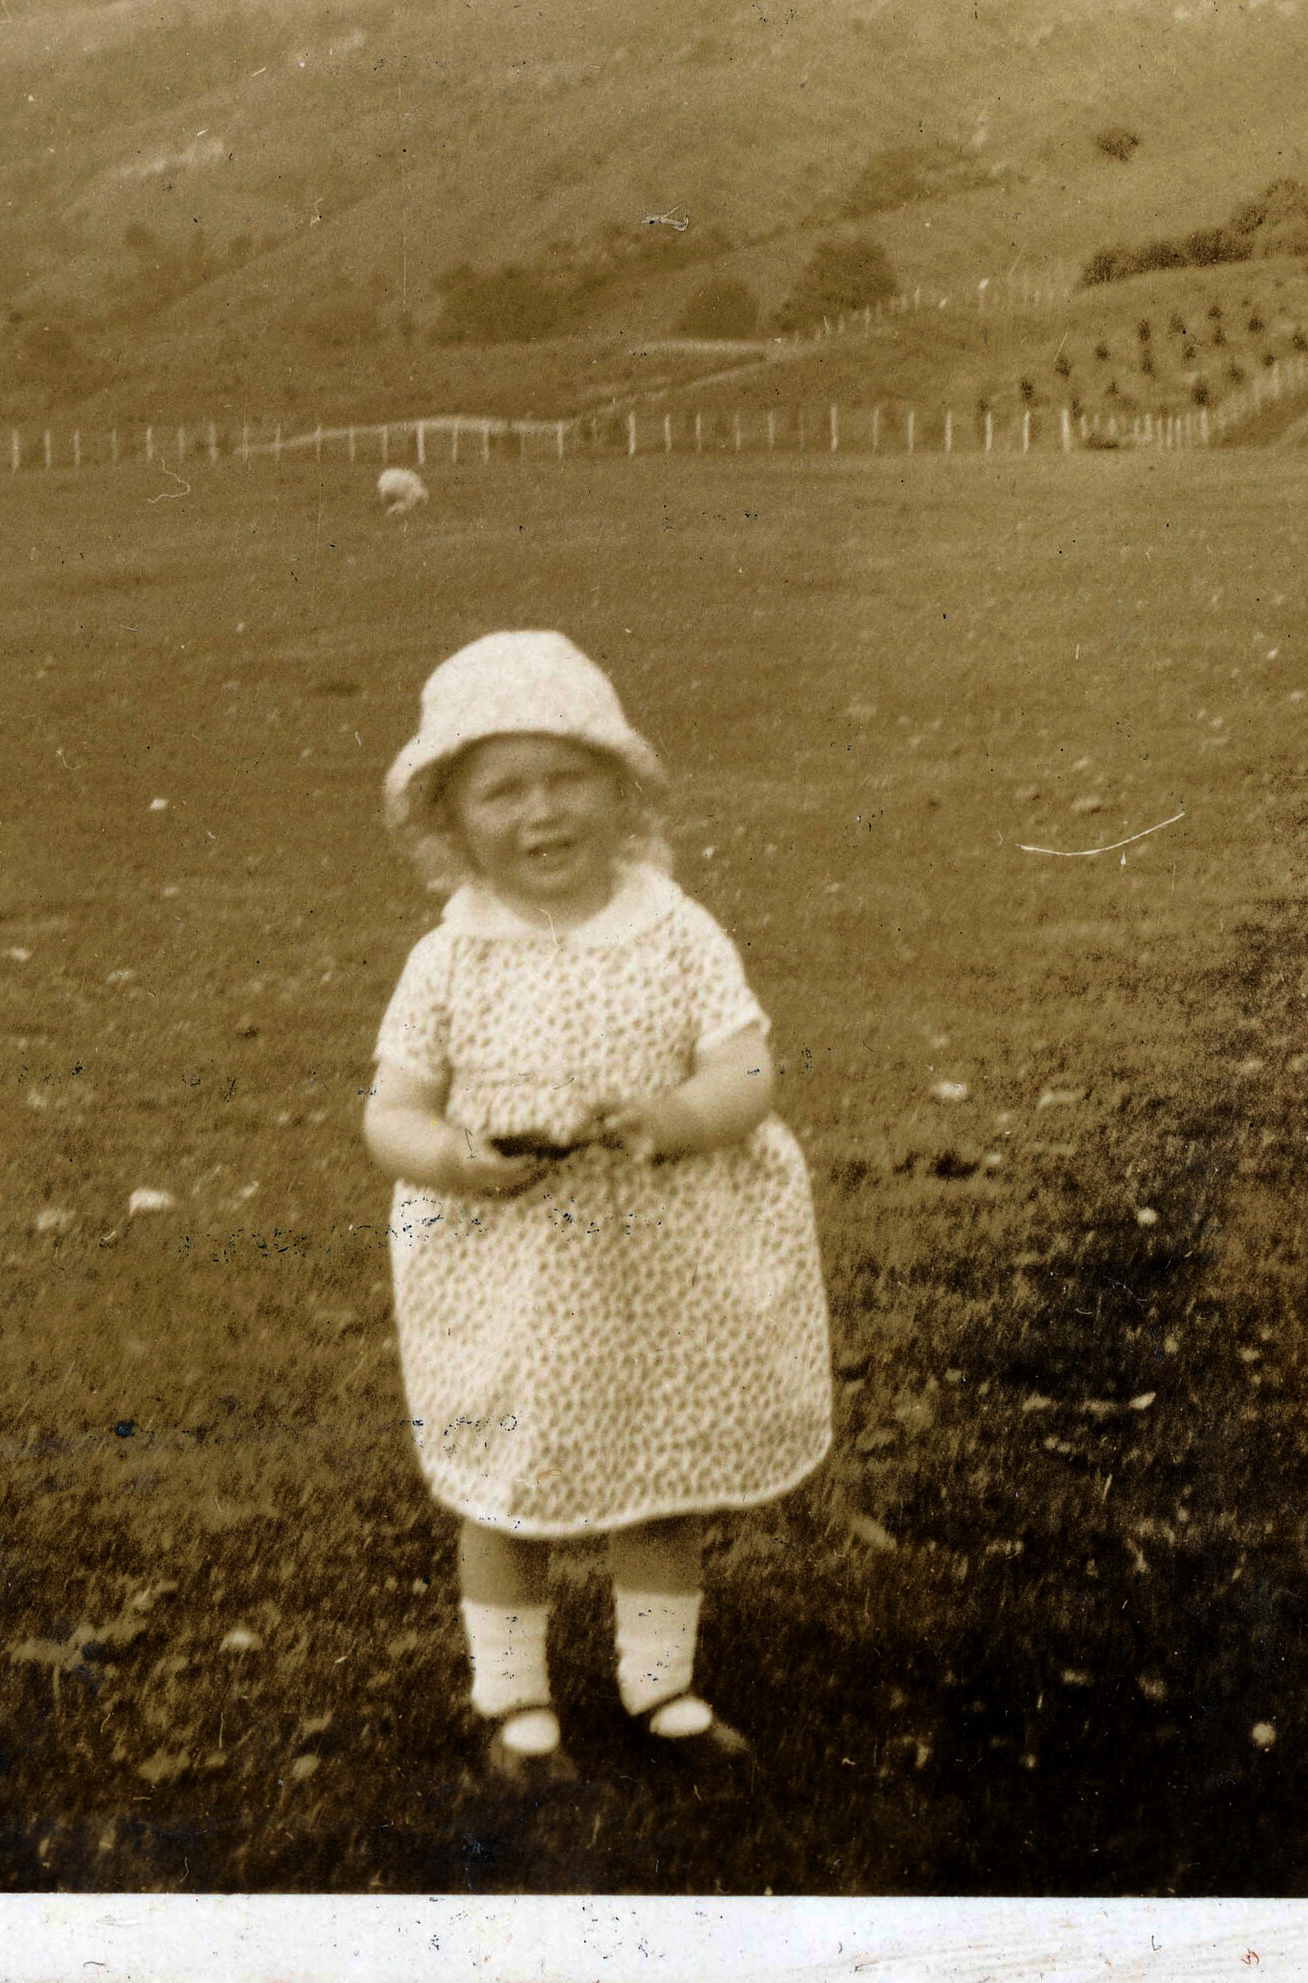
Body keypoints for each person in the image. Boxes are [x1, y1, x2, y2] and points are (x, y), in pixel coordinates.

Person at [364, 630, 833, 1789]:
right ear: (451, 817)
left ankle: (656, 1680)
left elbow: (748, 1071)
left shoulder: (673, 930)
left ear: (617, 789)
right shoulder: (449, 958)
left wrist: (675, 1116)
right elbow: (389, 1112)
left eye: (566, 776)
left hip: (661, 1266)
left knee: (657, 1474)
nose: (540, 810)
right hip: (509, 1269)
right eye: (501, 788)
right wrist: (452, 1157)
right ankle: (514, 1697)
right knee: (505, 1482)